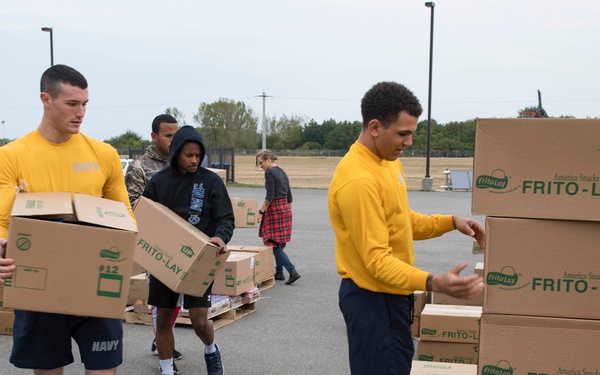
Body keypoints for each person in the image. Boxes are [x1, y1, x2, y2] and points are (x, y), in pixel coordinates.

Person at [327, 81, 485, 374]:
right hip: (371, 300)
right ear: (375, 127)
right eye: (403, 134)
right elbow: (376, 260)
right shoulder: (359, 181)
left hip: (393, 296)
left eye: (411, 133)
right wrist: (432, 282)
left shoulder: (387, 162)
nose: (409, 143)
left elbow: (402, 221)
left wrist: (450, 222)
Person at [0, 64, 135, 374]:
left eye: (85, 104)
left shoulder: (103, 154)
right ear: (46, 99)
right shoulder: (11, 156)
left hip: (95, 282)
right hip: (40, 287)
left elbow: (125, 216)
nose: (81, 112)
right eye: (72, 104)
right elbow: (3, 221)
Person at [143, 125, 234, 375]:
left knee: (199, 320)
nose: (194, 160)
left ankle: (211, 350)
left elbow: (226, 217)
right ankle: (166, 369)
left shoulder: (211, 181)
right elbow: (146, 217)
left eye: (198, 155)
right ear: (176, 154)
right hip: (165, 258)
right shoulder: (158, 182)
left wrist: (220, 237)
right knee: (163, 318)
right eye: (188, 155)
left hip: (199, 259)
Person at [124, 114, 184, 365]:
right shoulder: (140, 167)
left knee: (179, 295)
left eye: (175, 134)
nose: (173, 140)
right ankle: (163, 344)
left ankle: (161, 335)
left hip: (183, 241)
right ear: (154, 136)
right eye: (168, 135)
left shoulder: (183, 162)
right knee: (162, 299)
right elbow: (133, 204)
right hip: (156, 242)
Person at [256, 150, 300, 285]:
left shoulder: (269, 172)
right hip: (285, 207)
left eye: (261, 163)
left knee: (271, 241)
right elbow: (289, 193)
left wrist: (260, 212)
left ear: (269, 159)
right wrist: (288, 210)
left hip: (275, 207)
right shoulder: (281, 171)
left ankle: (292, 271)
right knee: (278, 242)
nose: (260, 166)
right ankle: (279, 272)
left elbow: (270, 196)